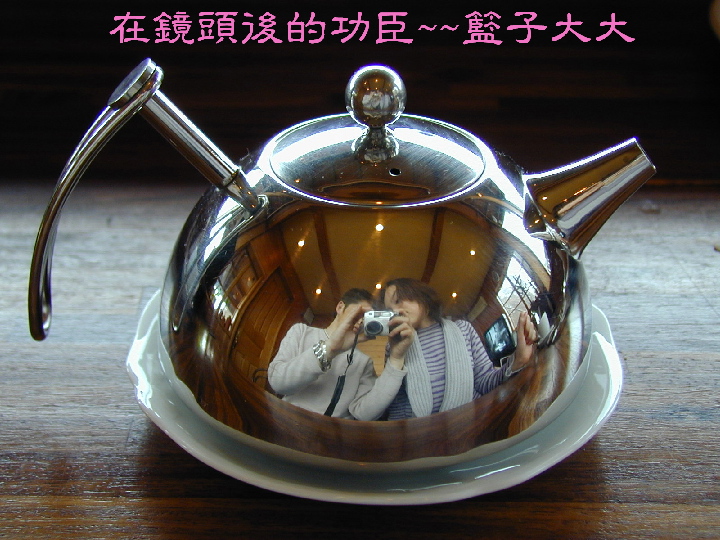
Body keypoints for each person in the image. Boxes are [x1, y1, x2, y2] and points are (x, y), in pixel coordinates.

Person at [379, 278, 537, 420]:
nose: (395, 311)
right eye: (389, 309)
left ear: (421, 297)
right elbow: (396, 403)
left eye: (398, 300)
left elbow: (485, 382)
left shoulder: (463, 329)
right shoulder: (394, 346)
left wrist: (519, 360)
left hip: (472, 423)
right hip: (420, 432)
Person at [267, 288, 406, 420]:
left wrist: (396, 360)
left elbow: (364, 414)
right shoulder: (302, 332)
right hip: (290, 420)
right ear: (340, 307)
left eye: (369, 318)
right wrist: (329, 349)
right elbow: (278, 383)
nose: (361, 321)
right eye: (359, 313)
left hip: (336, 431)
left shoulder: (364, 362)